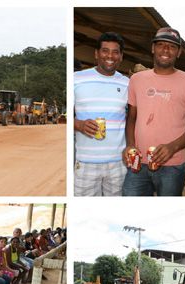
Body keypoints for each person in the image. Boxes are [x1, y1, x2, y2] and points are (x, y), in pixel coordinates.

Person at [122, 27, 185, 196]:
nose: (166, 50)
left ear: (178, 52)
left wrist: (173, 147)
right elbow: (131, 118)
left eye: (172, 46)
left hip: (172, 165)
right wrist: (130, 146)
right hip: (138, 164)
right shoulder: (136, 80)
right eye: (161, 45)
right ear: (152, 48)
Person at [74, 32, 130, 196]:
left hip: (118, 163)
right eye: (105, 51)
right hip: (86, 162)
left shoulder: (127, 83)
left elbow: (133, 117)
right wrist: (79, 124)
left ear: (120, 56)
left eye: (115, 52)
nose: (110, 56)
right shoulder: (76, 79)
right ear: (97, 54)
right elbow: (62, 118)